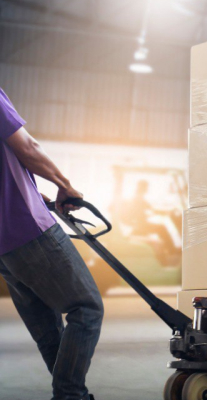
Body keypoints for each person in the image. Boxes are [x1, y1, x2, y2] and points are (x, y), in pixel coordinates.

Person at [0, 86, 103, 400]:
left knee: (47, 327)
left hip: (4, 248)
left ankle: (70, 395)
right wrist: (64, 185)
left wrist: (34, 192)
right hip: (28, 228)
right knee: (86, 308)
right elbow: (27, 148)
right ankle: (70, 395)